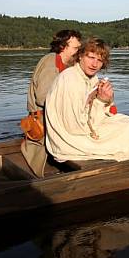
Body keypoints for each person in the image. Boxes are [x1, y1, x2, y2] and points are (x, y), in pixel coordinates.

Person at [44, 37, 129, 162]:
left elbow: (99, 114)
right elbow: (75, 127)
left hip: (82, 129)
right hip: (69, 139)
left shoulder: (91, 78)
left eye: (99, 60)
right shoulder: (70, 79)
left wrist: (108, 99)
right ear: (80, 56)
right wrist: (100, 101)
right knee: (127, 131)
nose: (94, 64)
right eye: (91, 57)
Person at [22, 29, 81, 176]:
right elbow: (42, 97)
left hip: (54, 117)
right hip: (43, 121)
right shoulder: (51, 62)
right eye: (76, 48)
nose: (79, 52)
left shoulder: (67, 65)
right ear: (63, 47)